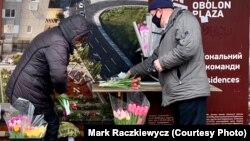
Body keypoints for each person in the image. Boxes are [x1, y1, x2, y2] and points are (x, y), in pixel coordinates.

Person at [6, 14, 90, 140]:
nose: (80, 42)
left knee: (48, 123)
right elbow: (58, 76)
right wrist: (60, 91)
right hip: (29, 94)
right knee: (36, 131)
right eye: (81, 38)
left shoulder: (54, 35)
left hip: (24, 90)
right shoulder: (59, 44)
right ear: (75, 34)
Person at [127, 0, 211, 125]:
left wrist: (162, 63)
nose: (153, 20)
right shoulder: (169, 31)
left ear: (160, 11)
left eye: (152, 14)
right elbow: (151, 61)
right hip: (179, 95)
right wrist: (130, 72)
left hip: (190, 94)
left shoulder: (185, 19)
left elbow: (189, 48)